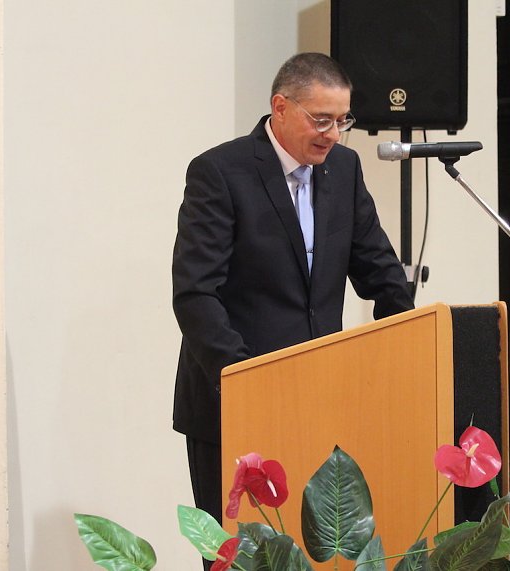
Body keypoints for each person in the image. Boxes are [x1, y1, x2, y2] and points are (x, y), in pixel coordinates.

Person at [171, 52, 414, 559]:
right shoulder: (220, 171)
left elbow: (380, 270)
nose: (333, 134)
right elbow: (196, 292)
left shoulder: (343, 170)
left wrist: (402, 347)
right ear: (280, 107)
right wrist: (246, 381)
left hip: (324, 402)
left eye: (342, 120)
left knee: (318, 555)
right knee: (241, 560)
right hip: (234, 403)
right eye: (320, 119)